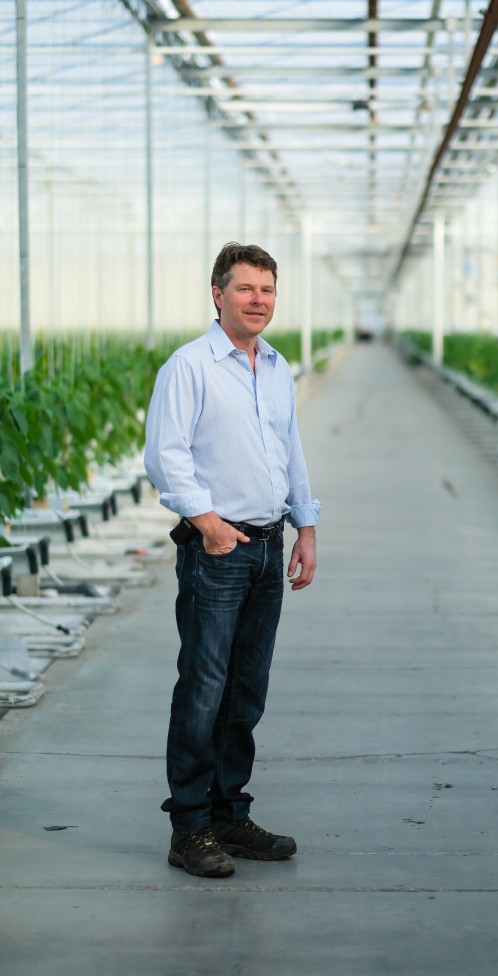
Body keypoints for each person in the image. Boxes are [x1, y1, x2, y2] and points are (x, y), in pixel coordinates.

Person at [144, 241, 319, 878]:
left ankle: (229, 812)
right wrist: (208, 524)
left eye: (267, 290)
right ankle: (189, 827)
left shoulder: (275, 367)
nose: (258, 301)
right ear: (218, 294)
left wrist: (306, 525)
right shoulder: (188, 367)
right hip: (219, 550)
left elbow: (289, 450)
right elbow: (166, 456)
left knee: (246, 690)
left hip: (270, 545)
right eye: (245, 289)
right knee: (204, 687)